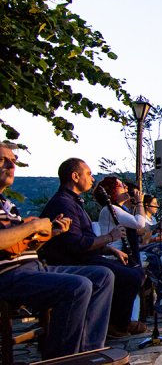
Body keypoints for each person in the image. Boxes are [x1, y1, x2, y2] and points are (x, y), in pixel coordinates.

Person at [0, 143, 114, 358]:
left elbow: (18, 246)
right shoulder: (62, 201)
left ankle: (89, 351)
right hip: (9, 276)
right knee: (78, 286)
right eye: (2, 160)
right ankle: (62, 359)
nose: (11, 166)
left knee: (103, 275)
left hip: (33, 268)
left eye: (13, 160)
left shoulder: (6, 204)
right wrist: (33, 226)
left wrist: (52, 233)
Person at [40, 158, 146, 338]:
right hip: (72, 263)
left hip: (83, 257)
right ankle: (117, 324)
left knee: (134, 272)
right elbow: (76, 245)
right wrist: (110, 238)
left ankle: (117, 321)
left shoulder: (72, 202)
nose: (92, 178)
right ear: (75, 176)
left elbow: (82, 241)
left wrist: (110, 249)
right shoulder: (63, 203)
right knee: (130, 276)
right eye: (88, 174)